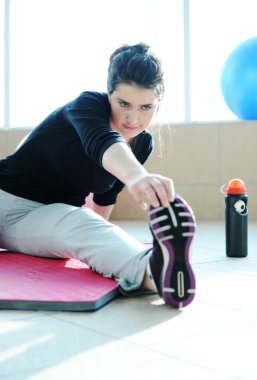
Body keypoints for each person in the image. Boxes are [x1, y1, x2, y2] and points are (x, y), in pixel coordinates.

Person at [0, 43, 196, 309]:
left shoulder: (141, 144)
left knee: (82, 225)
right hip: (4, 196)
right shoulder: (88, 106)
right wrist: (137, 177)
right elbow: (102, 142)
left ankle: (155, 273)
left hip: (40, 219)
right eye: (123, 103)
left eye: (145, 107)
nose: (133, 119)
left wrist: (98, 242)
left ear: (158, 104)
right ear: (109, 94)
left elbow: (105, 198)